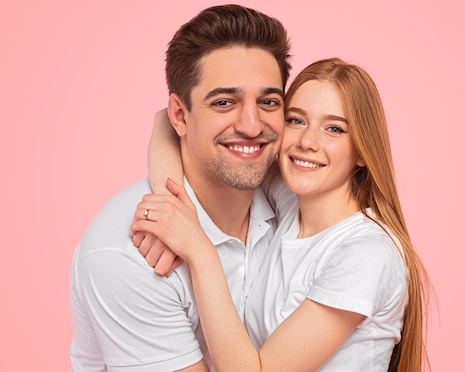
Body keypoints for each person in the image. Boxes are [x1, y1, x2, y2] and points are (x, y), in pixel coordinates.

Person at [133, 58, 430, 371]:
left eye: (334, 129)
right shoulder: (290, 200)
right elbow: (167, 122)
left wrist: (199, 250)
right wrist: (168, 204)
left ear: (361, 151)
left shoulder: (366, 255)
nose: (307, 142)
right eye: (297, 121)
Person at [69, 4, 292, 372]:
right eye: (224, 102)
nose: (252, 125)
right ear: (179, 115)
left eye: (268, 102)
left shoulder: (290, 196)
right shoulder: (127, 255)